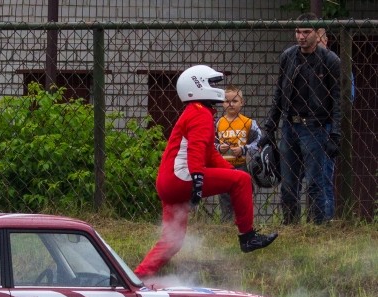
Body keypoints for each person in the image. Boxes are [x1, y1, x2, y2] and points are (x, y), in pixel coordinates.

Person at [134, 65, 278, 279]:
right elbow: (196, 148)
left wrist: (229, 172)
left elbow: (209, 153)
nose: (215, 88)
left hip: (168, 181)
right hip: (181, 177)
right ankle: (247, 237)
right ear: (198, 86)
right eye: (211, 83)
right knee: (241, 179)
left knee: (172, 242)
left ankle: (138, 277)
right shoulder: (200, 113)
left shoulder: (195, 112)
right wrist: (199, 179)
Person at [260, 12, 341, 225]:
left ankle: (317, 227)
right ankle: (291, 226)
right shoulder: (289, 56)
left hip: (315, 126)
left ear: (317, 33)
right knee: (288, 183)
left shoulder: (330, 60)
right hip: (289, 125)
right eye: (298, 31)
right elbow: (279, 93)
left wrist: (335, 133)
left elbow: (337, 100)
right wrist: (269, 127)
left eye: (306, 32)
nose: (301, 36)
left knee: (315, 183)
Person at [216, 84, 262, 221]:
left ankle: (243, 221)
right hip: (223, 166)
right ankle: (226, 223)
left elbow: (259, 141)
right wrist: (219, 147)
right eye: (226, 101)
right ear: (222, 103)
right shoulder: (218, 123)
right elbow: (209, 143)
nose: (230, 104)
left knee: (243, 195)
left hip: (242, 165)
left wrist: (244, 149)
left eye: (234, 101)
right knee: (224, 196)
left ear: (242, 103)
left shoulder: (248, 123)